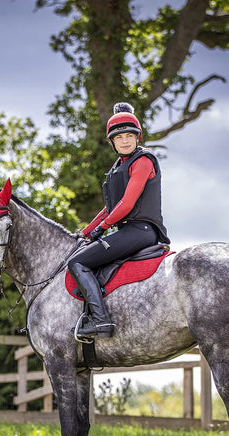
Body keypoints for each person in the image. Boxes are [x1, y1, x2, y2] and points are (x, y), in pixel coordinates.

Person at [68, 102, 170, 341]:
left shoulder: (143, 161)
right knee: (81, 251)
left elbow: (126, 204)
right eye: (119, 137)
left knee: (77, 263)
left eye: (129, 136)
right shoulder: (118, 168)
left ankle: (100, 321)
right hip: (128, 230)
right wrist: (85, 233)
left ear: (138, 137)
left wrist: (102, 229)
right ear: (112, 142)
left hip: (141, 230)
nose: (125, 141)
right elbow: (109, 209)